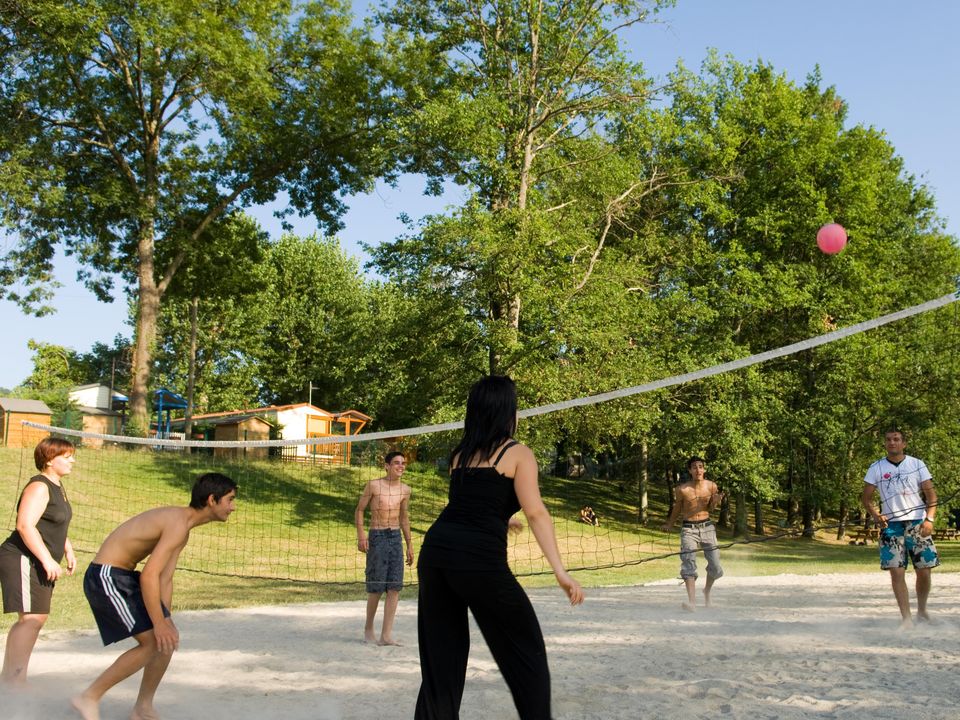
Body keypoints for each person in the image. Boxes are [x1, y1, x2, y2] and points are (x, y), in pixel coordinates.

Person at [415, 375, 584, 720]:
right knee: (526, 650)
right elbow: (536, 512)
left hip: (435, 555)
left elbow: (469, 505)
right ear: (507, 411)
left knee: (441, 660)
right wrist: (560, 571)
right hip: (477, 561)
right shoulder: (518, 453)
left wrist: (503, 520)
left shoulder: (460, 454)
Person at [71, 472, 237, 720]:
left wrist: (166, 620)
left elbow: (164, 578)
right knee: (151, 641)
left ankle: (143, 708)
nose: (233, 507)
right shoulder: (178, 524)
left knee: (165, 642)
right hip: (106, 576)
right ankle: (88, 697)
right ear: (212, 499)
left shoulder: (184, 527)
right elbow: (149, 575)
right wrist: (158, 624)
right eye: (230, 500)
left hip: (122, 577)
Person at [0, 437, 77, 685]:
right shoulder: (39, 486)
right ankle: (15, 680)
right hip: (22, 557)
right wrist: (47, 559)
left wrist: (68, 549)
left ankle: (11, 677)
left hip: (38, 559)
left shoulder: (57, 486)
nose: (72, 461)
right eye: (66, 457)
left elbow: (54, 522)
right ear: (49, 460)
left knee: (33, 620)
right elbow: (25, 526)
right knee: (32, 619)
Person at [862, 427, 939, 628]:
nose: (892, 443)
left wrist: (929, 520)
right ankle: (906, 618)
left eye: (896, 439)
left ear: (903, 443)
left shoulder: (917, 464)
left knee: (924, 570)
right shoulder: (876, 468)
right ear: (885, 443)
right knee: (896, 572)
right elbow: (866, 498)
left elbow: (931, 496)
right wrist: (876, 515)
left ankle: (922, 610)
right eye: (888, 439)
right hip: (892, 527)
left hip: (917, 523)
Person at [355, 451, 414, 645]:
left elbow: (404, 518)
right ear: (386, 466)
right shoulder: (374, 485)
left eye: (403, 463)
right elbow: (360, 510)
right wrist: (362, 535)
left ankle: (386, 635)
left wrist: (409, 545)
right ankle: (368, 628)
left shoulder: (405, 490)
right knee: (376, 586)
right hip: (377, 536)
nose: (401, 466)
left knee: (395, 587)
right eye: (396, 463)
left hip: (395, 537)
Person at [661, 456, 724, 612]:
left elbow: (711, 508)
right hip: (689, 528)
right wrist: (670, 524)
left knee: (715, 566)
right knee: (689, 563)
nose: (698, 470)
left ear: (704, 469)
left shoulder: (711, 486)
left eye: (700, 467)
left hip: (707, 526)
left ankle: (707, 591)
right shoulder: (682, 489)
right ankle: (692, 603)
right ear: (690, 470)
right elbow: (677, 508)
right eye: (694, 467)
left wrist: (715, 501)